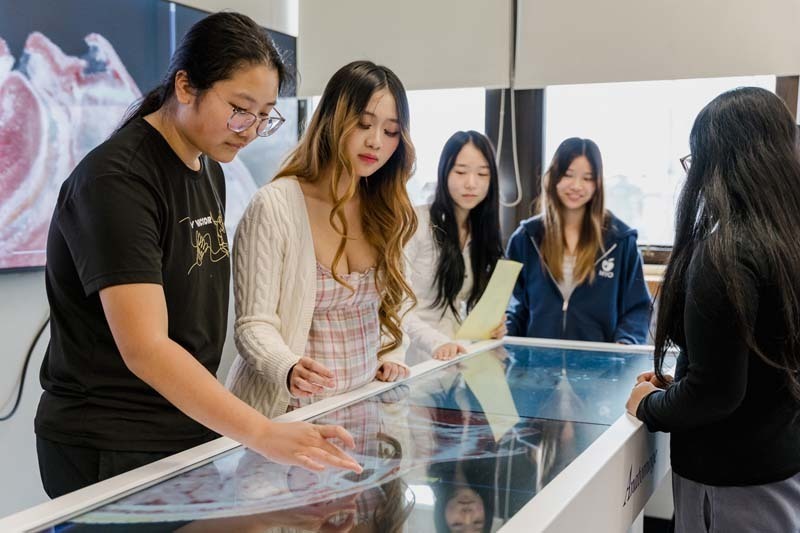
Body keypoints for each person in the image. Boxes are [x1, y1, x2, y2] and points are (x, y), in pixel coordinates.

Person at [35, 12, 360, 500]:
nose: (249, 129)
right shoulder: (118, 180)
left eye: (264, 115)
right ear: (185, 86)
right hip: (110, 441)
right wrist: (263, 432)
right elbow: (146, 347)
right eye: (240, 109)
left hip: (183, 429)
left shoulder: (208, 169)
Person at [626, 87, 800, 532]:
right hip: (780, 467)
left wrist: (650, 405)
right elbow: (757, 368)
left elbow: (715, 395)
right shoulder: (785, 244)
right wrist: (678, 385)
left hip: (729, 483)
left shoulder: (723, 255)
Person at [226, 60, 416, 417]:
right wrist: (286, 367)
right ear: (332, 119)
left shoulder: (385, 209)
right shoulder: (275, 205)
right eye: (363, 124)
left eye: (391, 131)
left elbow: (390, 308)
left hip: (357, 409)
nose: (376, 141)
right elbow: (253, 324)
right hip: (285, 414)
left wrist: (391, 353)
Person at [505, 137, 650, 343]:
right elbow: (512, 306)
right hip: (536, 359)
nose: (576, 186)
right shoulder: (526, 238)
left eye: (587, 178)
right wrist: (503, 331)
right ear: (553, 177)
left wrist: (625, 343)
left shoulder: (621, 240)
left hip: (600, 361)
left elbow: (637, 308)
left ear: (597, 184)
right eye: (568, 175)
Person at [403, 131, 505, 363]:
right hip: (413, 361)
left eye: (482, 174)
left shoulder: (481, 233)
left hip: (455, 361)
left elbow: (460, 308)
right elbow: (397, 306)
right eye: (460, 172)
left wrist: (489, 328)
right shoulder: (417, 223)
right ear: (444, 172)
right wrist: (437, 342)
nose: (471, 183)